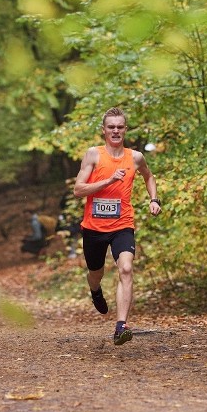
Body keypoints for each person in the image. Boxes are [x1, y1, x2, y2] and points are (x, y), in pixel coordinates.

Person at [74, 107, 161, 345]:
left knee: (125, 268)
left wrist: (154, 199)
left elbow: (149, 176)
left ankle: (121, 326)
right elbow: (78, 189)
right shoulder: (93, 155)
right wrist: (109, 180)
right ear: (103, 130)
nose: (115, 130)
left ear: (125, 130)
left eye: (120, 127)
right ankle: (95, 291)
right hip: (93, 228)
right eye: (111, 127)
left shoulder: (135, 157)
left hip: (122, 225)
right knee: (95, 273)